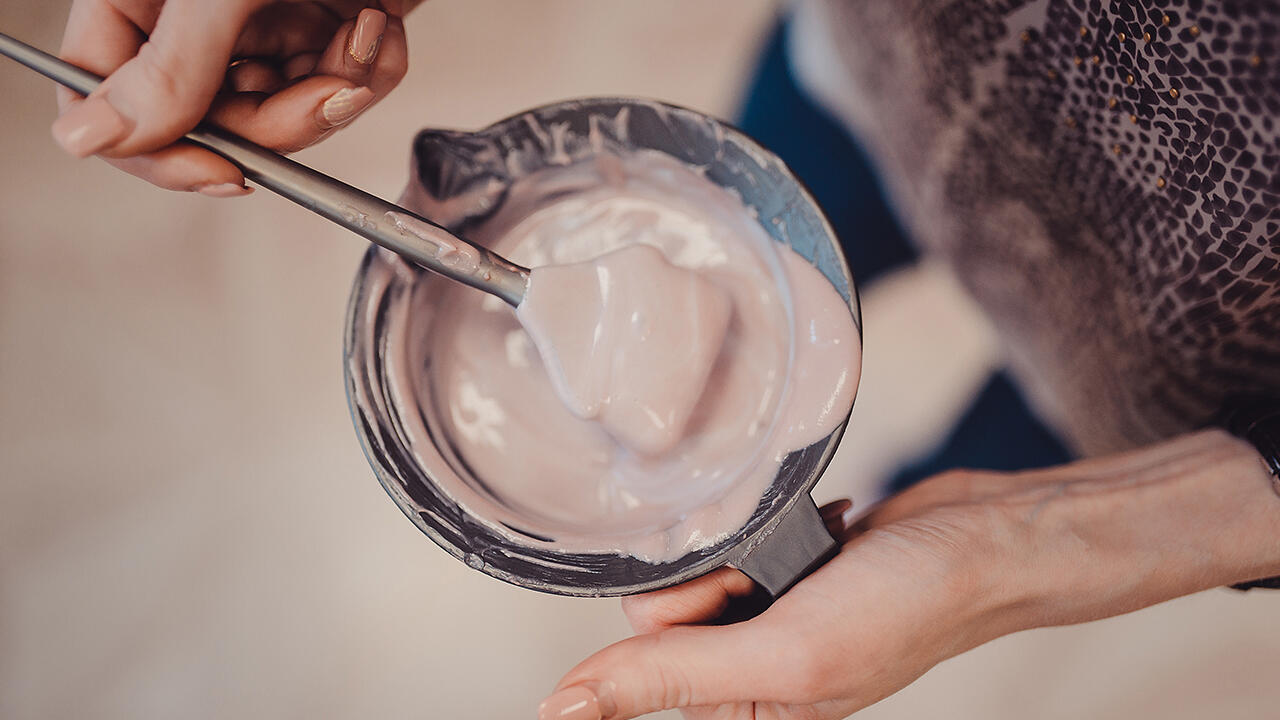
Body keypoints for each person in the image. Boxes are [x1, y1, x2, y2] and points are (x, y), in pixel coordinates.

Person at [50, 1, 1279, 719]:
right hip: (870, 76)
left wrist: (1032, 544)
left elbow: (1069, 514)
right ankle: (887, 495)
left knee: (1033, 443)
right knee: (931, 477)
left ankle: (894, 500)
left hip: (1182, 383)